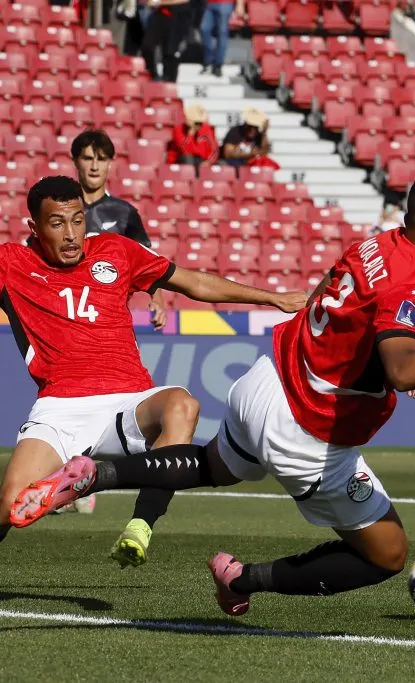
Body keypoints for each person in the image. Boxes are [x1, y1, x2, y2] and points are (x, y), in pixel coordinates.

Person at [11, 173, 415, 618]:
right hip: (308, 426)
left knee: (212, 467)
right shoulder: (413, 282)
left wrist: (389, 367)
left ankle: (97, 474)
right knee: (387, 554)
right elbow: (403, 370)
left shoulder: (377, 244)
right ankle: (243, 579)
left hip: (265, 381)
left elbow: (341, 308)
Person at [0, 176, 307, 568]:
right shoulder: (11, 262)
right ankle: (69, 481)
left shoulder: (116, 250)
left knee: (181, 404)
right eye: (57, 224)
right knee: (10, 505)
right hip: (60, 408)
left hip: (129, 403)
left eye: (77, 220)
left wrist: (273, 298)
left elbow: (194, 283)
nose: (71, 234)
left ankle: (140, 526)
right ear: (34, 227)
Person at [73, 130, 169, 331]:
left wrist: (157, 298)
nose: (94, 166)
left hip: (112, 319)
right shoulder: (61, 209)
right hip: (67, 316)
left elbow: (148, 261)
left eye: (101, 159)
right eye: (88, 158)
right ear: (76, 161)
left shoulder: (125, 213)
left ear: (110, 163)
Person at [141, 0, 192, 83]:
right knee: (147, 45)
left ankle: (169, 80)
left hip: (179, 13)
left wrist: (160, 2)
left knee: (171, 50)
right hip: (160, 12)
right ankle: (152, 75)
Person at [200, 0, 244, 78]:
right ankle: (209, 60)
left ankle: (218, 64)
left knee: (222, 33)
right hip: (210, 3)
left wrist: (240, 4)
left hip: (225, 3)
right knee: (204, 29)